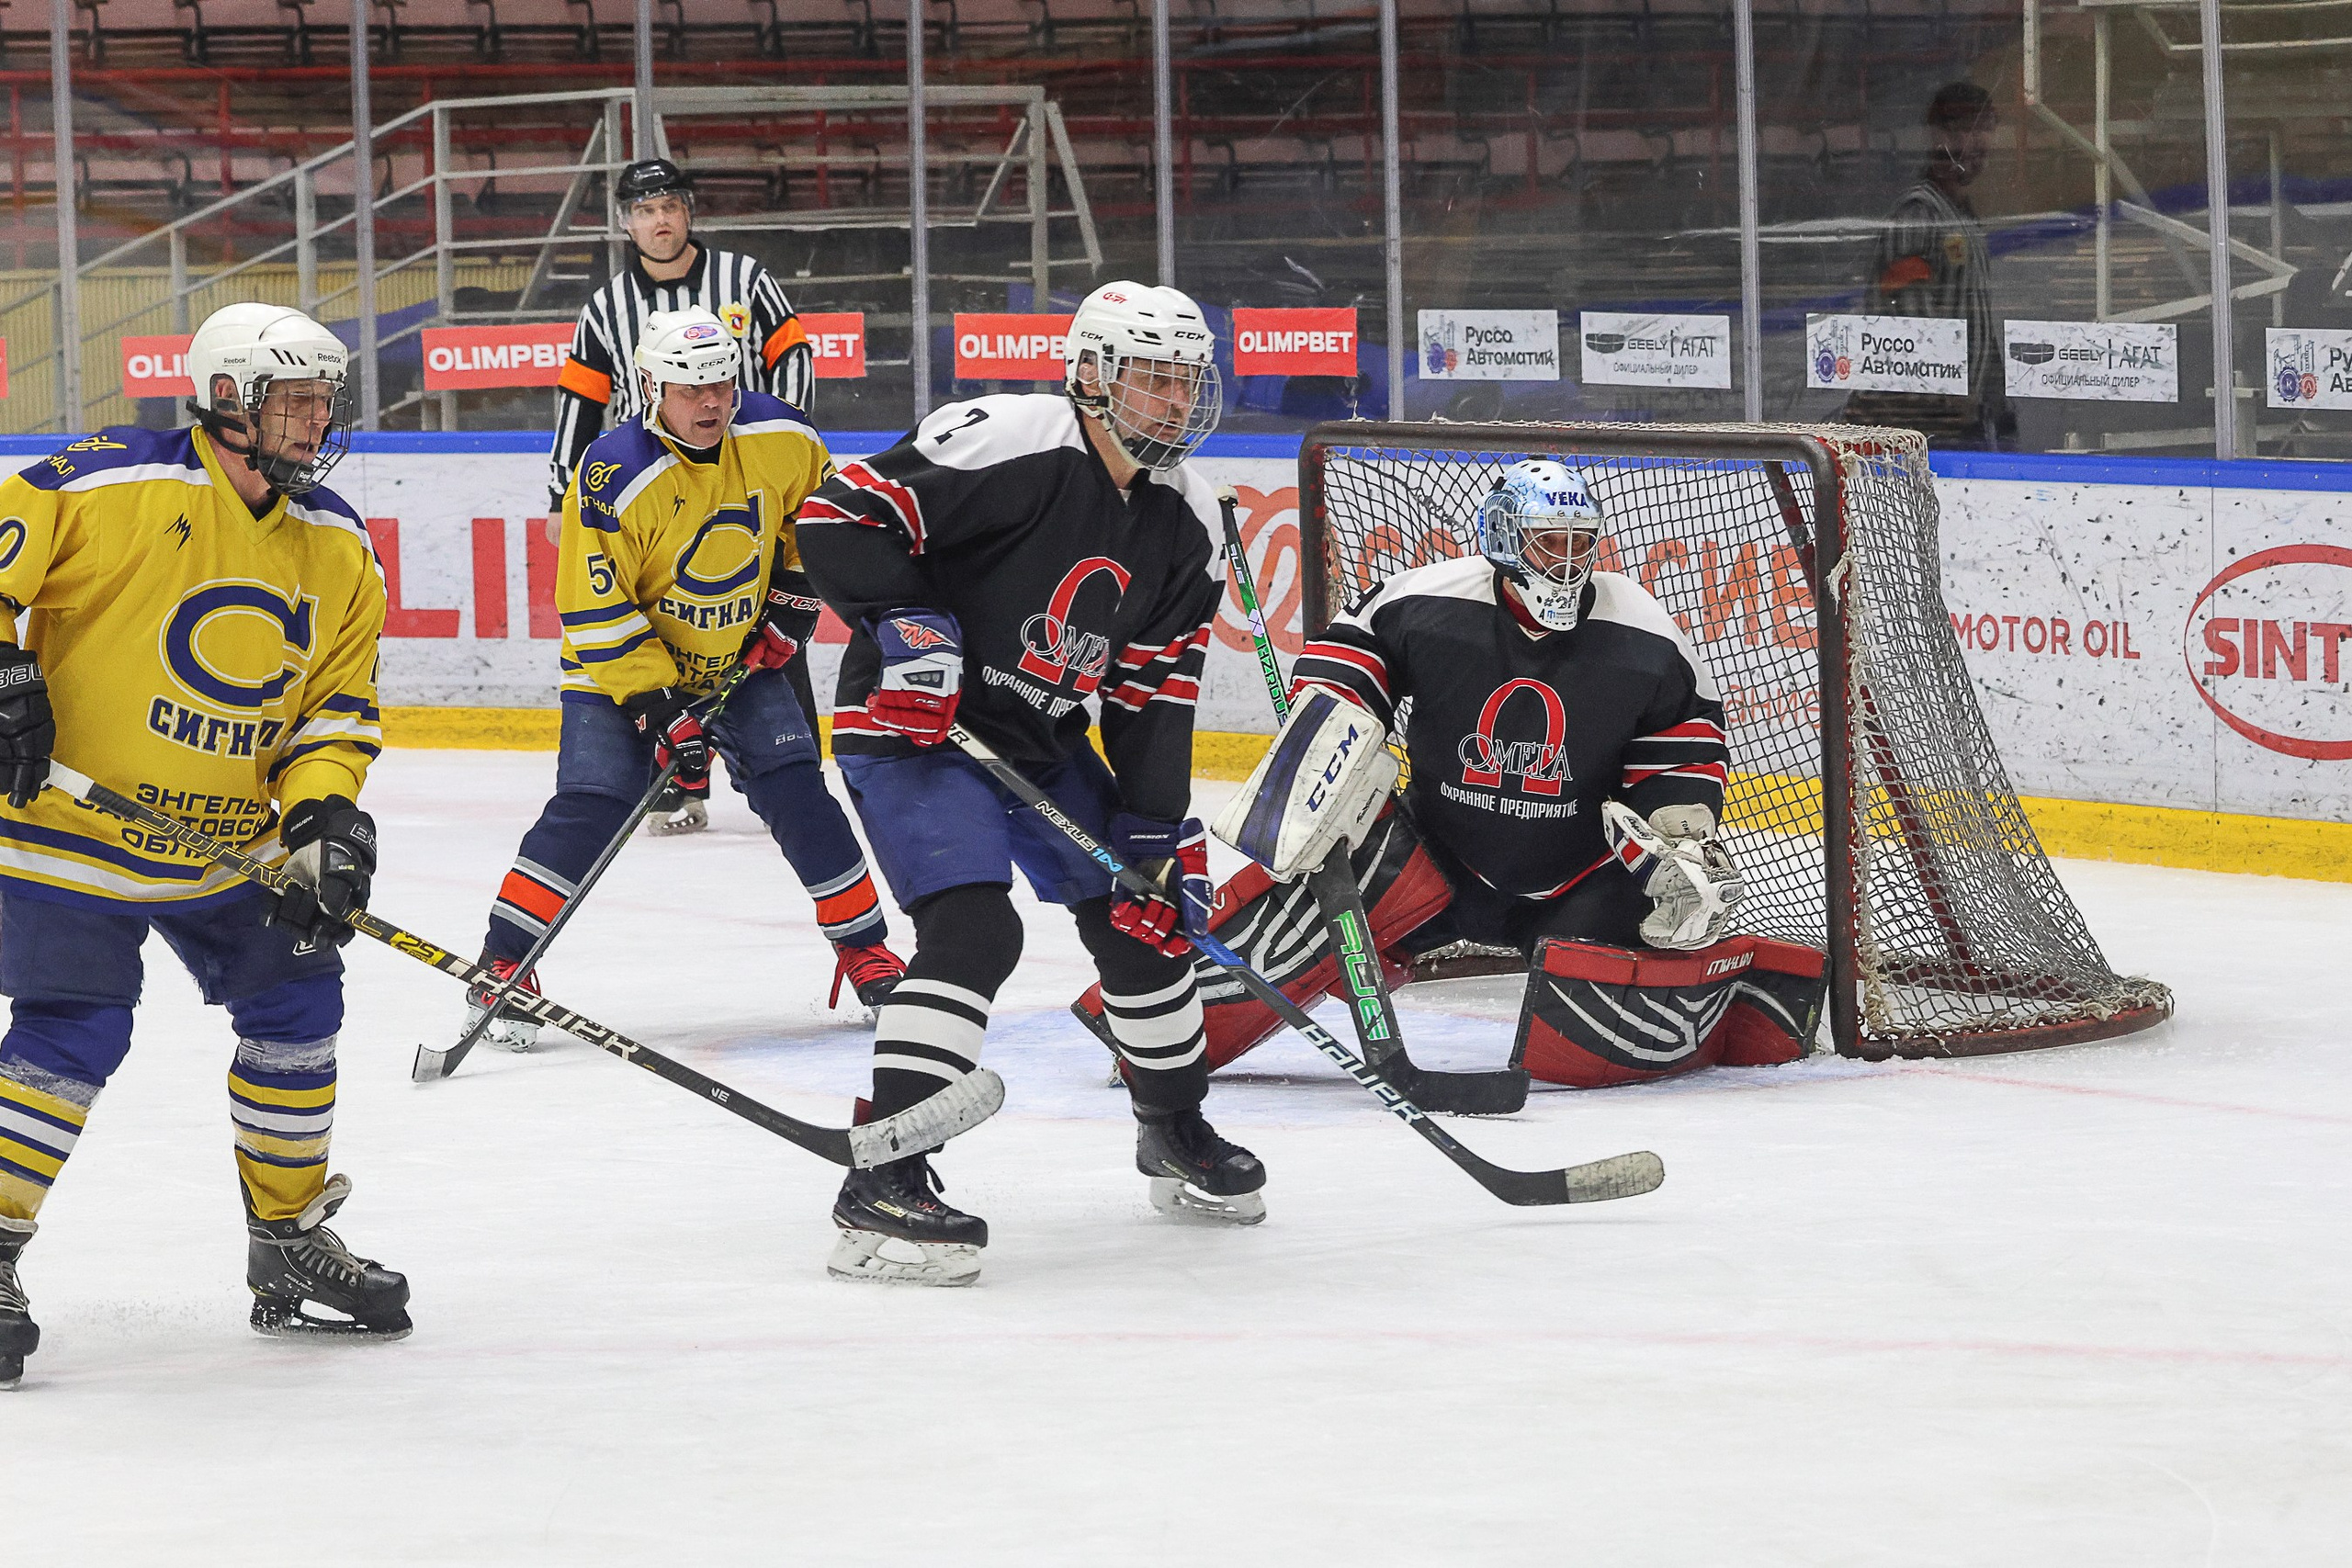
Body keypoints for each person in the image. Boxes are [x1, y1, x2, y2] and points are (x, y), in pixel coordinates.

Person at [795, 280, 1262, 1287]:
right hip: (916, 728)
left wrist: (1153, 831)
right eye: (1152, 379)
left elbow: (1153, 697)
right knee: (974, 928)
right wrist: (905, 621)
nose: (1175, 403)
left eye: (1187, 382)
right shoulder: (1010, 437)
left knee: (1142, 920)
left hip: (1041, 739)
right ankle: (885, 1173)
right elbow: (836, 518)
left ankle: (1173, 1129)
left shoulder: (1185, 522)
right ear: (1091, 375)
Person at [0, 302, 409, 1386]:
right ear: (227, 399)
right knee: (74, 1032)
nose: (317, 421)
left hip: (230, 846)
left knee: (298, 1013)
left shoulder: (337, 541)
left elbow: (334, 710)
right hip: (66, 828)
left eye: (326, 401)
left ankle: (285, 1240)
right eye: (295, 401)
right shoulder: (104, 482)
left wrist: (326, 817)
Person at [462, 308, 904, 1056]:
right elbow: (592, 608)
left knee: (799, 790)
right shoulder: (611, 472)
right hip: (620, 672)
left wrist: (795, 601)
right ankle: (502, 962)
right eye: (690, 388)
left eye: (722, 385)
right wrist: (660, 704)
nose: (710, 404)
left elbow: (822, 523)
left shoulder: (784, 437)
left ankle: (868, 953)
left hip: (738, 658)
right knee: (592, 804)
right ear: (649, 386)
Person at [549, 157, 822, 834]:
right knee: (665, 630)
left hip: (743, 478)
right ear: (626, 223)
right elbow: (581, 397)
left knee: (774, 624)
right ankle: (675, 782)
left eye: (670, 205)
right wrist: (562, 491)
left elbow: (794, 354)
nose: (660, 220)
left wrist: (776, 438)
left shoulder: (746, 279)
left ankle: (792, 775)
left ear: (689, 211)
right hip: (651, 493)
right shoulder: (605, 306)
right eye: (645, 210)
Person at [1842, 81, 2013, 450]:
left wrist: (1996, 399)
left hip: (1958, 420)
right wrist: (1947, 395)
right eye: (1965, 129)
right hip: (1919, 427)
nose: (1977, 144)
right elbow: (1907, 321)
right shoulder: (1919, 214)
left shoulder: (1962, 217)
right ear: (1939, 136)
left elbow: (1978, 320)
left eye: (1985, 129)